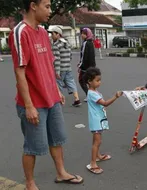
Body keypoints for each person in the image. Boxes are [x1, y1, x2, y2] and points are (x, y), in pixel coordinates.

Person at [8, 0, 83, 189]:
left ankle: (61, 173)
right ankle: (30, 183)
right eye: (47, 6)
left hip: (51, 98)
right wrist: (28, 105)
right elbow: (20, 71)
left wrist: (56, 90)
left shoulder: (43, 32)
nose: (50, 11)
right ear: (33, 6)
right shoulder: (20, 32)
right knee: (32, 146)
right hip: (33, 102)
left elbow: (48, 64)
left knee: (57, 139)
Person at [83, 67, 122, 174]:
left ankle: (98, 156)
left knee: (97, 141)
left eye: (100, 80)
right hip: (96, 121)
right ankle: (92, 163)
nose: (99, 82)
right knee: (97, 142)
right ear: (89, 81)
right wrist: (116, 96)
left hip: (99, 119)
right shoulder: (92, 93)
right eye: (97, 80)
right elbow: (105, 103)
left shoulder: (94, 91)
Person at [48, 26, 82, 107]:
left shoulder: (56, 45)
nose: (51, 36)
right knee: (71, 83)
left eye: (52, 34)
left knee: (58, 85)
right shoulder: (67, 43)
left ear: (58, 34)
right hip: (68, 67)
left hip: (60, 69)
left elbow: (57, 60)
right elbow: (70, 56)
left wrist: (57, 72)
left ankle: (59, 101)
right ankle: (77, 99)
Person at [78, 28, 96, 100]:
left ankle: (89, 95)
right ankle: (92, 95)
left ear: (87, 34)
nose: (81, 35)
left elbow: (84, 56)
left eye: (83, 34)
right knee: (89, 81)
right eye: (82, 33)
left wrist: (80, 65)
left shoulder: (86, 43)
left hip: (86, 67)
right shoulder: (91, 42)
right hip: (91, 65)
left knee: (81, 80)